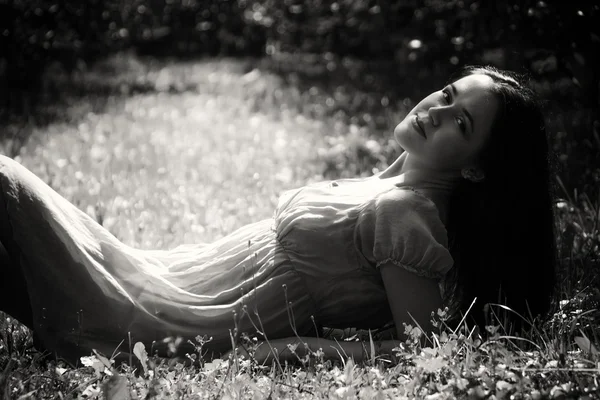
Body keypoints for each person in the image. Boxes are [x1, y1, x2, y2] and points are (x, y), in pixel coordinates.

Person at [0, 65, 557, 366]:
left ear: (478, 171)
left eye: (460, 122)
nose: (435, 111)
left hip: (175, 319)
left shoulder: (404, 214)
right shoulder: (393, 181)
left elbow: (417, 355)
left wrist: (289, 351)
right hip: (164, 276)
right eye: (445, 93)